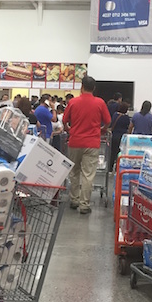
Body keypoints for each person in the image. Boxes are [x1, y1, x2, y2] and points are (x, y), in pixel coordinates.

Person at [63, 76, 111, 214]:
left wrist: (69, 129)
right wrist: (102, 130)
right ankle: (84, 204)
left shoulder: (73, 102)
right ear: (94, 88)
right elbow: (108, 121)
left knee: (74, 172)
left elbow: (65, 120)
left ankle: (74, 199)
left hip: (75, 142)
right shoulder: (100, 103)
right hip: (92, 143)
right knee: (88, 174)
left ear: (82, 86)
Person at [109, 102, 131, 172]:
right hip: (122, 137)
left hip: (114, 135)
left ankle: (110, 168)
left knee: (112, 152)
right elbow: (128, 127)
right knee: (120, 153)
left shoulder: (115, 115)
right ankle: (117, 168)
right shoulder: (126, 118)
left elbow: (111, 123)